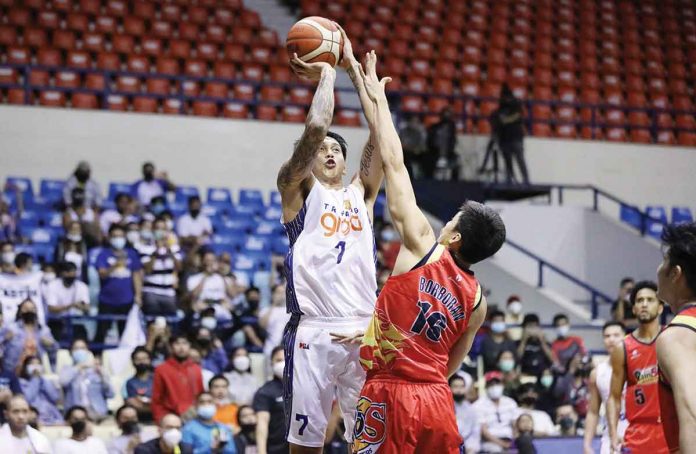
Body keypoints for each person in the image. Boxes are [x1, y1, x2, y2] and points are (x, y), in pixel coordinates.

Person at [352, 51, 505, 454]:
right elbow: (452, 364)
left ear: (454, 238)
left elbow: (394, 164)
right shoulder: (477, 301)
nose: (445, 224)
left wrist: (379, 102)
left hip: (390, 393)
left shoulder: (423, 245)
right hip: (436, 398)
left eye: (451, 221)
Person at [278, 30, 384, 453]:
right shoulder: (297, 190)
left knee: (373, 444)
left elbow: (383, 138)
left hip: (365, 330)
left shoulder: (362, 193)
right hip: (315, 332)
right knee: (307, 446)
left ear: (344, 159)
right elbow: (318, 124)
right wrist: (326, 73)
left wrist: (359, 79)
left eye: (336, 149)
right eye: (319, 149)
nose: (328, 151)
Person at [607, 281, 668, 454]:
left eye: (650, 300)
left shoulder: (672, 338)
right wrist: (613, 433)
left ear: (660, 307)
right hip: (639, 432)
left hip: (671, 429)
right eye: (640, 301)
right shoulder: (622, 348)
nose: (644, 304)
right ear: (633, 309)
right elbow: (614, 397)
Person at [656, 222, 696, 453]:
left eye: (664, 261)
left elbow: (692, 412)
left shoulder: (679, 335)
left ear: (675, 274)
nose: (658, 268)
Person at [94, 224, 143, 345]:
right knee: (102, 331)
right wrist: (116, 264)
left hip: (127, 299)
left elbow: (136, 275)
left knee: (126, 332)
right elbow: (102, 274)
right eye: (115, 236)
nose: (118, 239)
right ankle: (97, 355)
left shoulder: (131, 254)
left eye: (121, 236)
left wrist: (138, 295)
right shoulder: (103, 254)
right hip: (107, 300)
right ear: (110, 238)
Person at [583, 321, 627, 454]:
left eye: (616, 335)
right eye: (607, 336)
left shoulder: (638, 366)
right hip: (610, 437)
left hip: (639, 434)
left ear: (625, 337)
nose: (611, 339)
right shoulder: (597, 373)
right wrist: (587, 444)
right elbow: (593, 411)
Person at [151, 333, 204, 423]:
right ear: (171, 347)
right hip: (170, 417)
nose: (181, 347)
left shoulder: (196, 369)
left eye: (184, 343)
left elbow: (200, 394)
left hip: (194, 417)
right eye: (177, 344)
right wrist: (160, 419)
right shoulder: (161, 369)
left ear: (190, 346)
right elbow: (157, 399)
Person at [60, 338, 114, 421]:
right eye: (76, 348)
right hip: (75, 414)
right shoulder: (67, 370)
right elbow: (63, 382)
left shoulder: (97, 370)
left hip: (98, 413)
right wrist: (79, 367)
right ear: (71, 352)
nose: (79, 351)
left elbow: (110, 394)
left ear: (88, 351)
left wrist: (103, 375)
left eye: (82, 348)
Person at [2, 299, 56, 375]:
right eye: (26, 309)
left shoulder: (44, 330)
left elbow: (54, 349)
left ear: (36, 311)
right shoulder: (11, 328)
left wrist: (51, 345)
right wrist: (5, 338)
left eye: (32, 309)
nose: (29, 311)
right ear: (20, 311)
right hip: (13, 371)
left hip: (36, 371)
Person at [140, 218, 181, 316]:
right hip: (151, 292)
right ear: (153, 230)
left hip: (169, 292)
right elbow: (147, 269)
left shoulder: (174, 248)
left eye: (163, 229)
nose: (160, 232)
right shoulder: (145, 247)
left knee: (170, 322)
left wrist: (170, 250)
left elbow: (179, 267)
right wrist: (156, 251)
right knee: (152, 321)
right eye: (157, 228)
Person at [490, 84, 529, 184]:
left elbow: (516, 116)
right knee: (508, 161)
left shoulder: (516, 106)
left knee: (519, 158)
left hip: (516, 137)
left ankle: (526, 179)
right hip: (504, 138)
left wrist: (505, 120)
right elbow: (496, 120)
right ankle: (509, 179)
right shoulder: (500, 109)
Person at [473, 371, 520, 453]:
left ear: (502, 385)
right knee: (496, 450)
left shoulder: (510, 402)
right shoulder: (478, 405)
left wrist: (513, 441)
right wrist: (502, 444)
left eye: (497, 384)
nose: (495, 387)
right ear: (486, 386)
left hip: (510, 438)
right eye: (491, 384)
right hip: (490, 441)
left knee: (524, 442)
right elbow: (484, 431)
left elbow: (515, 424)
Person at [253, 346, 287, 454]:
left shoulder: (304, 387)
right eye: (278, 360)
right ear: (272, 364)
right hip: (276, 449)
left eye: (286, 359)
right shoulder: (265, 391)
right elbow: (262, 424)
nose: (283, 363)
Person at [45, 260, 90, 340]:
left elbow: (87, 307)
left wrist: (81, 307)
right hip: (57, 321)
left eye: (73, 272)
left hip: (75, 321)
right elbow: (51, 308)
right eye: (68, 272)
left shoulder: (81, 286)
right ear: (62, 273)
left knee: (82, 338)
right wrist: (71, 305)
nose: (71, 275)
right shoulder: (53, 285)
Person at [18, 355, 62, 425]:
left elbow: (55, 398)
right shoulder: (20, 382)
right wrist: (35, 379)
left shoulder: (46, 381)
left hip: (51, 416)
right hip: (32, 417)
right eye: (32, 364)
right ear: (25, 367)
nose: (35, 366)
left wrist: (41, 379)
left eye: (38, 364)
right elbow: (27, 399)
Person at [449, 373, 480, 454]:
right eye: (455, 387)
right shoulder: (444, 407)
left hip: (467, 447)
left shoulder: (471, 409)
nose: (459, 390)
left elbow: (475, 432)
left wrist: (471, 447)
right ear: (449, 388)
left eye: (462, 387)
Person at [425, 106, 458, 180]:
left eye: (448, 115)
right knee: (427, 160)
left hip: (448, 154)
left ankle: (454, 186)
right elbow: (429, 143)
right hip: (434, 153)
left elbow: (452, 143)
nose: (446, 117)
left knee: (455, 164)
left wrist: (446, 154)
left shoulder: (452, 128)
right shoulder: (434, 128)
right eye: (445, 115)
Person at [259, 283, 290, 357]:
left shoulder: (291, 311)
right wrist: (274, 304)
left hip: (288, 349)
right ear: (273, 294)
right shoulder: (265, 310)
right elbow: (262, 325)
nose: (281, 295)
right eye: (278, 292)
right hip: (270, 348)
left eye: (283, 292)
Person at [125, 346, 154, 422]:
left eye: (144, 359)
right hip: (140, 419)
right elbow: (133, 403)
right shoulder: (130, 382)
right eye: (138, 359)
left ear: (150, 360)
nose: (141, 362)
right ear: (133, 362)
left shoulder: (157, 378)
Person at [398, 114, 427, 178]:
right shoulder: (403, 131)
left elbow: (422, 147)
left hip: (415, 154)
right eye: (412, 121)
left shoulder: (419, 133)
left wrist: (413, 148)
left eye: (416, 122)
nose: (414, 123)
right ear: (409, 122)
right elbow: (400, 144)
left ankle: (420, 178)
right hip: (404, 153)